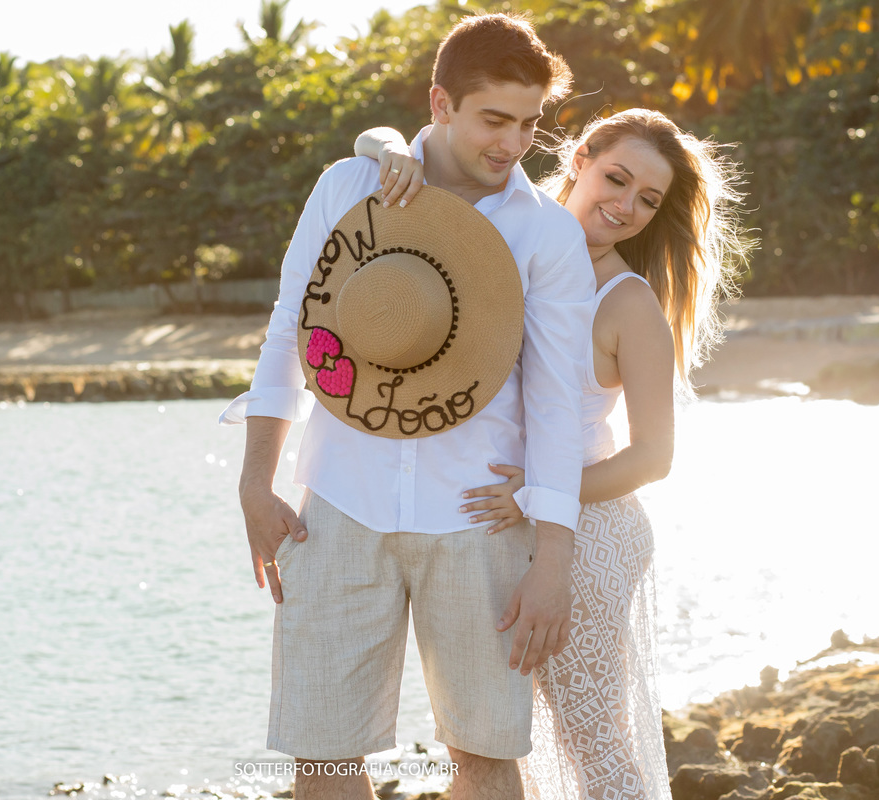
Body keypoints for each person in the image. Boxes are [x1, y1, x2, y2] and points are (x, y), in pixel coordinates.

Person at [220, 13, 597, 800]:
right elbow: (290, 335)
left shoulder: (547, 236)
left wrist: (553, 561)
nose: (512, 143)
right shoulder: (347, 185)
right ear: (440, 103)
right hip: (336, 504)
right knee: (320, 755)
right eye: (495, 119)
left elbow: (562, 408)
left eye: (529, 123)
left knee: (487, 758)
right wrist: (256, 484)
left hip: (480, 520)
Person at [355, 108, 749, 799]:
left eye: (647, 200)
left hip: (587, 536)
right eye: (616, 178)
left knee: (592, 744)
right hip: (489, 524)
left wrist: (535, 495)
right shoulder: (506, 237)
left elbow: (655, 457)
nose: (625, 206)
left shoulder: (629, 306)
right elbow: (398, 156)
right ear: (580, 159)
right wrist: (388, 147)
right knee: (496, 746)